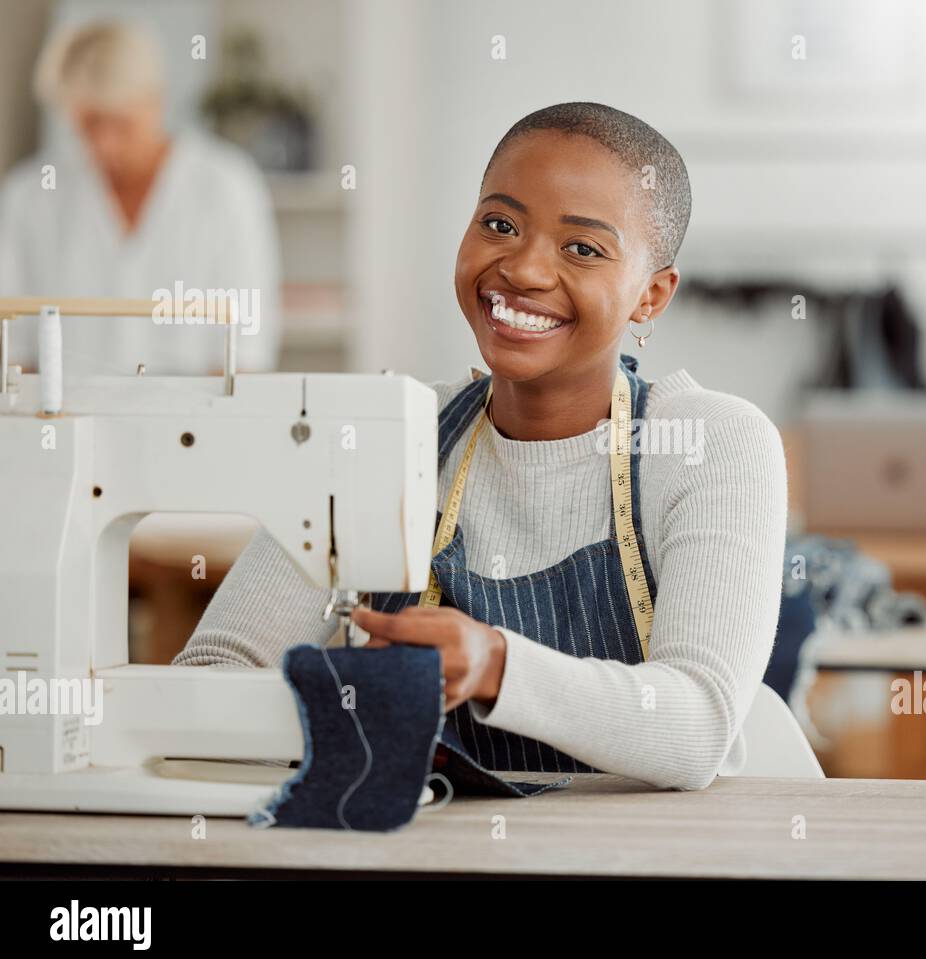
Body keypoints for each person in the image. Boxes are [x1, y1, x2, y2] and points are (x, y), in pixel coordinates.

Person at [174, 102, 789, 791]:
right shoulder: (378, 439)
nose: (523, 269)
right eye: (499, 225)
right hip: (438, 853)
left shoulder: (711, 445)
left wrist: (494, 666)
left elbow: (699, 727)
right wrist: (340, 698)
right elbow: (216, 675)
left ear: (651, 295)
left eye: (582, 248)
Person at [0, 20, 280, 375]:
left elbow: (248, 346)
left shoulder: (227, 188)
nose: (104, 142)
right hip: (61, 423)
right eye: (89, 123)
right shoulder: (29, 196)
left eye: (119, 122)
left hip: (193, 423)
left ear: (155, 100)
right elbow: (12, 348)